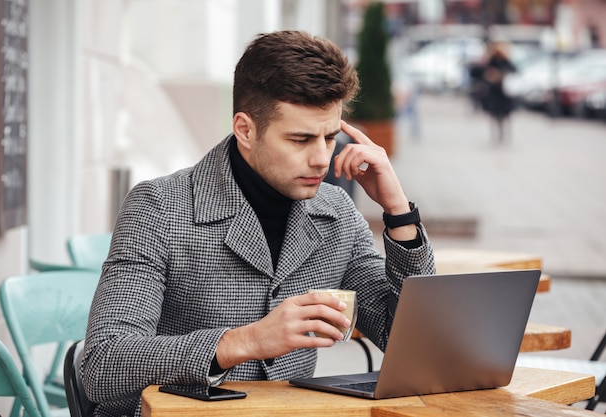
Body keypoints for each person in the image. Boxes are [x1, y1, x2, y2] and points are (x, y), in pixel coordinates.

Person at [82, 30, 435, 417]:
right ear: (245, 130)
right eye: (300, 140)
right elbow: (103, 362)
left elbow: (406, 342)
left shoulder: (336, 213)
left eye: (330, 137)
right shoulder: (159, 207)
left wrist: (398, 212)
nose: (321, 159)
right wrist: (246, 341)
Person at [470, 41, 517, 143]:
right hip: (494, 94)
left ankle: (503, 134)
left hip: (504, 94)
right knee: (494, 116)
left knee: (504, 116)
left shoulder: (505, 61)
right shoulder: (489, 61)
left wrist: (501, 75)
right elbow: (476, 72)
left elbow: (514, 71)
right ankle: (497, 134)